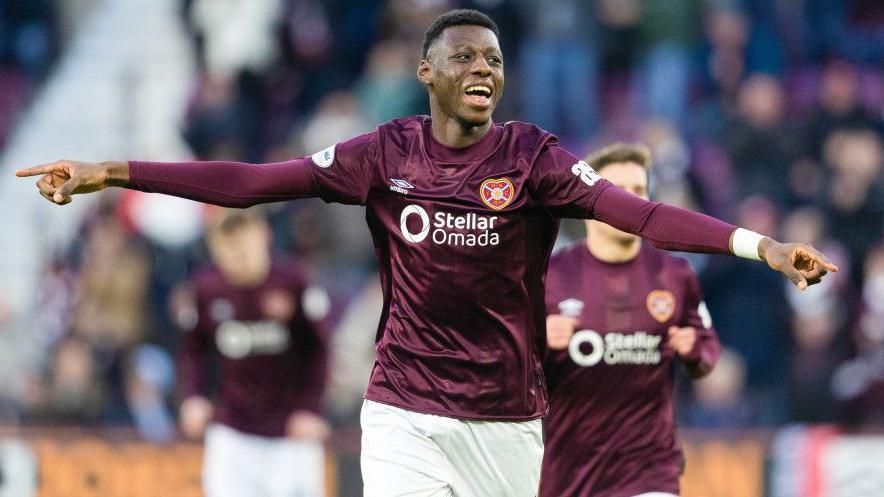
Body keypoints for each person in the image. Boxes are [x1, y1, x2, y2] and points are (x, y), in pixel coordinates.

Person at [16, 9, 837, 497]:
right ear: (426, 71)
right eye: (467, 58)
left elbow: (644, 213)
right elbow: (253, 181)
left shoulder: (534, 157)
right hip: (403, 406)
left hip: (507, 420)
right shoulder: (386, 154)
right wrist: (110, 171)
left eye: (496, 61)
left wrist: (758, 245)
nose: (485, 69)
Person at [540, 143, 721, 497]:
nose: (631, 203)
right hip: (570, 472)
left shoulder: (675, 274)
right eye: (618, 193)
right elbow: (506, 366)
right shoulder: (549, 275)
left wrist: (695, 351)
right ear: (589, 203)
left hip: (650, 470)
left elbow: (707, 348)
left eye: (639, 192)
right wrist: (538, 342)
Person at [174, 209, 330, 497]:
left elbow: (319, 350)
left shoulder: (293, 282)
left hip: (291, 434)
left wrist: (311, 408)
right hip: (233, 434)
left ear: (263, 238)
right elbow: (193, 348)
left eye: (243, 255)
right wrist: (194, 396)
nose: (236, 265)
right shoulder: (206, 289)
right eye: (227, 256)